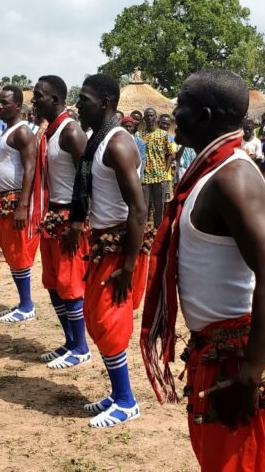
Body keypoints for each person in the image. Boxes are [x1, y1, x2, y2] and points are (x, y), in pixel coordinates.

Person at [141, 68, 265, 472]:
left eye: (181, 106)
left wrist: (248, 376)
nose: (173, 113)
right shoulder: (209, 174)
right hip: (218, 350)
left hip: (238, 356)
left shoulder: (233, 178)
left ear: (204, 116)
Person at [69, 74, 149, 428]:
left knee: (108, 320)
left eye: (84, 100)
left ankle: (128, 400)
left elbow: (139, 208)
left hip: (119, 246)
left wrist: (128, 265)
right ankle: (117, 394)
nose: (78, 106)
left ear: (105, 102)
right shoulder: (96, 142)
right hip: (103, 241)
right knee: (96, 318)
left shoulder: (117, 144)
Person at [32, 75, 92, 368]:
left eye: (38, 97)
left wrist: (78, 224)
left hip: (70, 218)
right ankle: (70, 341)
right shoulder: (50, 132)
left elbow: (86, 178)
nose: (33, 102)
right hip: (53, 215)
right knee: (53, 282)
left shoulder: (70, 132)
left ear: (55, 99)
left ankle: (81, 347)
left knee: (70, 285)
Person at [0, 86, 45, 323]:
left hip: (15, 200)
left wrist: (22, 205)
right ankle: (23, 302)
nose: (0, 106)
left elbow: (30, 168)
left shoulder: (22, 132)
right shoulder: (9, 131)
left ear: (18, 107)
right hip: (6, 199)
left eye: (5, 103)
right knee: (12, 251)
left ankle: (27, 305)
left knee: (20, 251)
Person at [141, 107, 173, 225]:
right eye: (147, 116)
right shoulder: (140, 135)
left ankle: (157, 233)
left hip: (160, 177)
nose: (149, 118)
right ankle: (144, 234)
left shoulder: (163, 134)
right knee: (144, 207)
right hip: (144, 177)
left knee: (159, 207)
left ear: (155, 118)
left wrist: (165, 171)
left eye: (151, 115)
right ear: (144, 119)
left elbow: (170, 154)